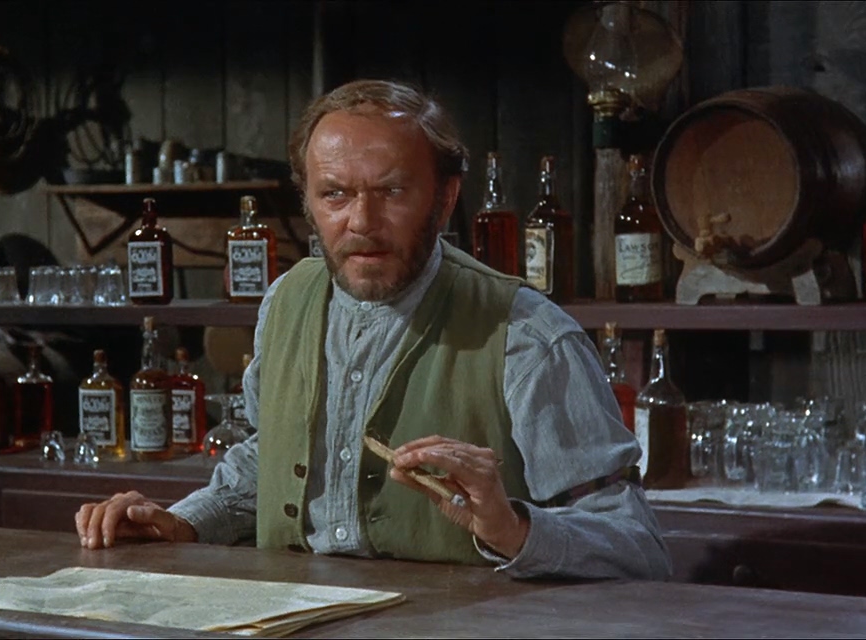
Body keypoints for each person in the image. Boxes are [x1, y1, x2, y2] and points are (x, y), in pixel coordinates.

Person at [76, 79, 672, 581]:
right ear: (309, 203)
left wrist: (512, 529)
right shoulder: (285, 302)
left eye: (391, 191)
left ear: (445, 198)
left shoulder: (527, 334)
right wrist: (179, 523)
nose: (361, 221)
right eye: (335, 194)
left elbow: (638, 546)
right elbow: (265, 461)